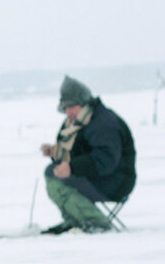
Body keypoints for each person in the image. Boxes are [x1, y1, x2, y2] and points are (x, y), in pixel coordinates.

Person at [39, 76, 136, 234]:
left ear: (84, 103)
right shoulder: (75, 123)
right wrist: (55, 152)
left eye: (72, 107)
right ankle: (74, 220)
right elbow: (75, 152)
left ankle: (94, 222)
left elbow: (106, 161)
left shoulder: (103, 123)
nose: (68, 112)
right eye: (66, 108)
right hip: (97, 177)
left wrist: (72, 168)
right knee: (52, 171)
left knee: (56, 179)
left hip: (115, 181)